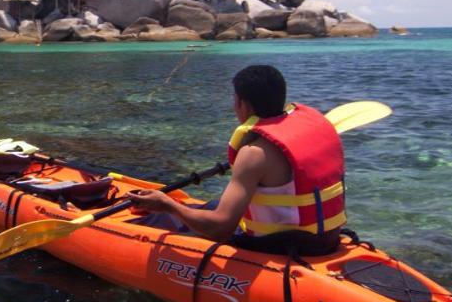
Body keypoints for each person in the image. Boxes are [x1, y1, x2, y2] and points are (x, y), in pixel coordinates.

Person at [128, 65, 346, 256]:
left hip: (281, 246)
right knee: (213, 205)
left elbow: (220, 229)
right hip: (324, 239)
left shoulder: (254, 153)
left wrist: (168, 205)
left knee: (164, 219)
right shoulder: (312, 130)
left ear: (244, 104)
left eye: (234, 99)